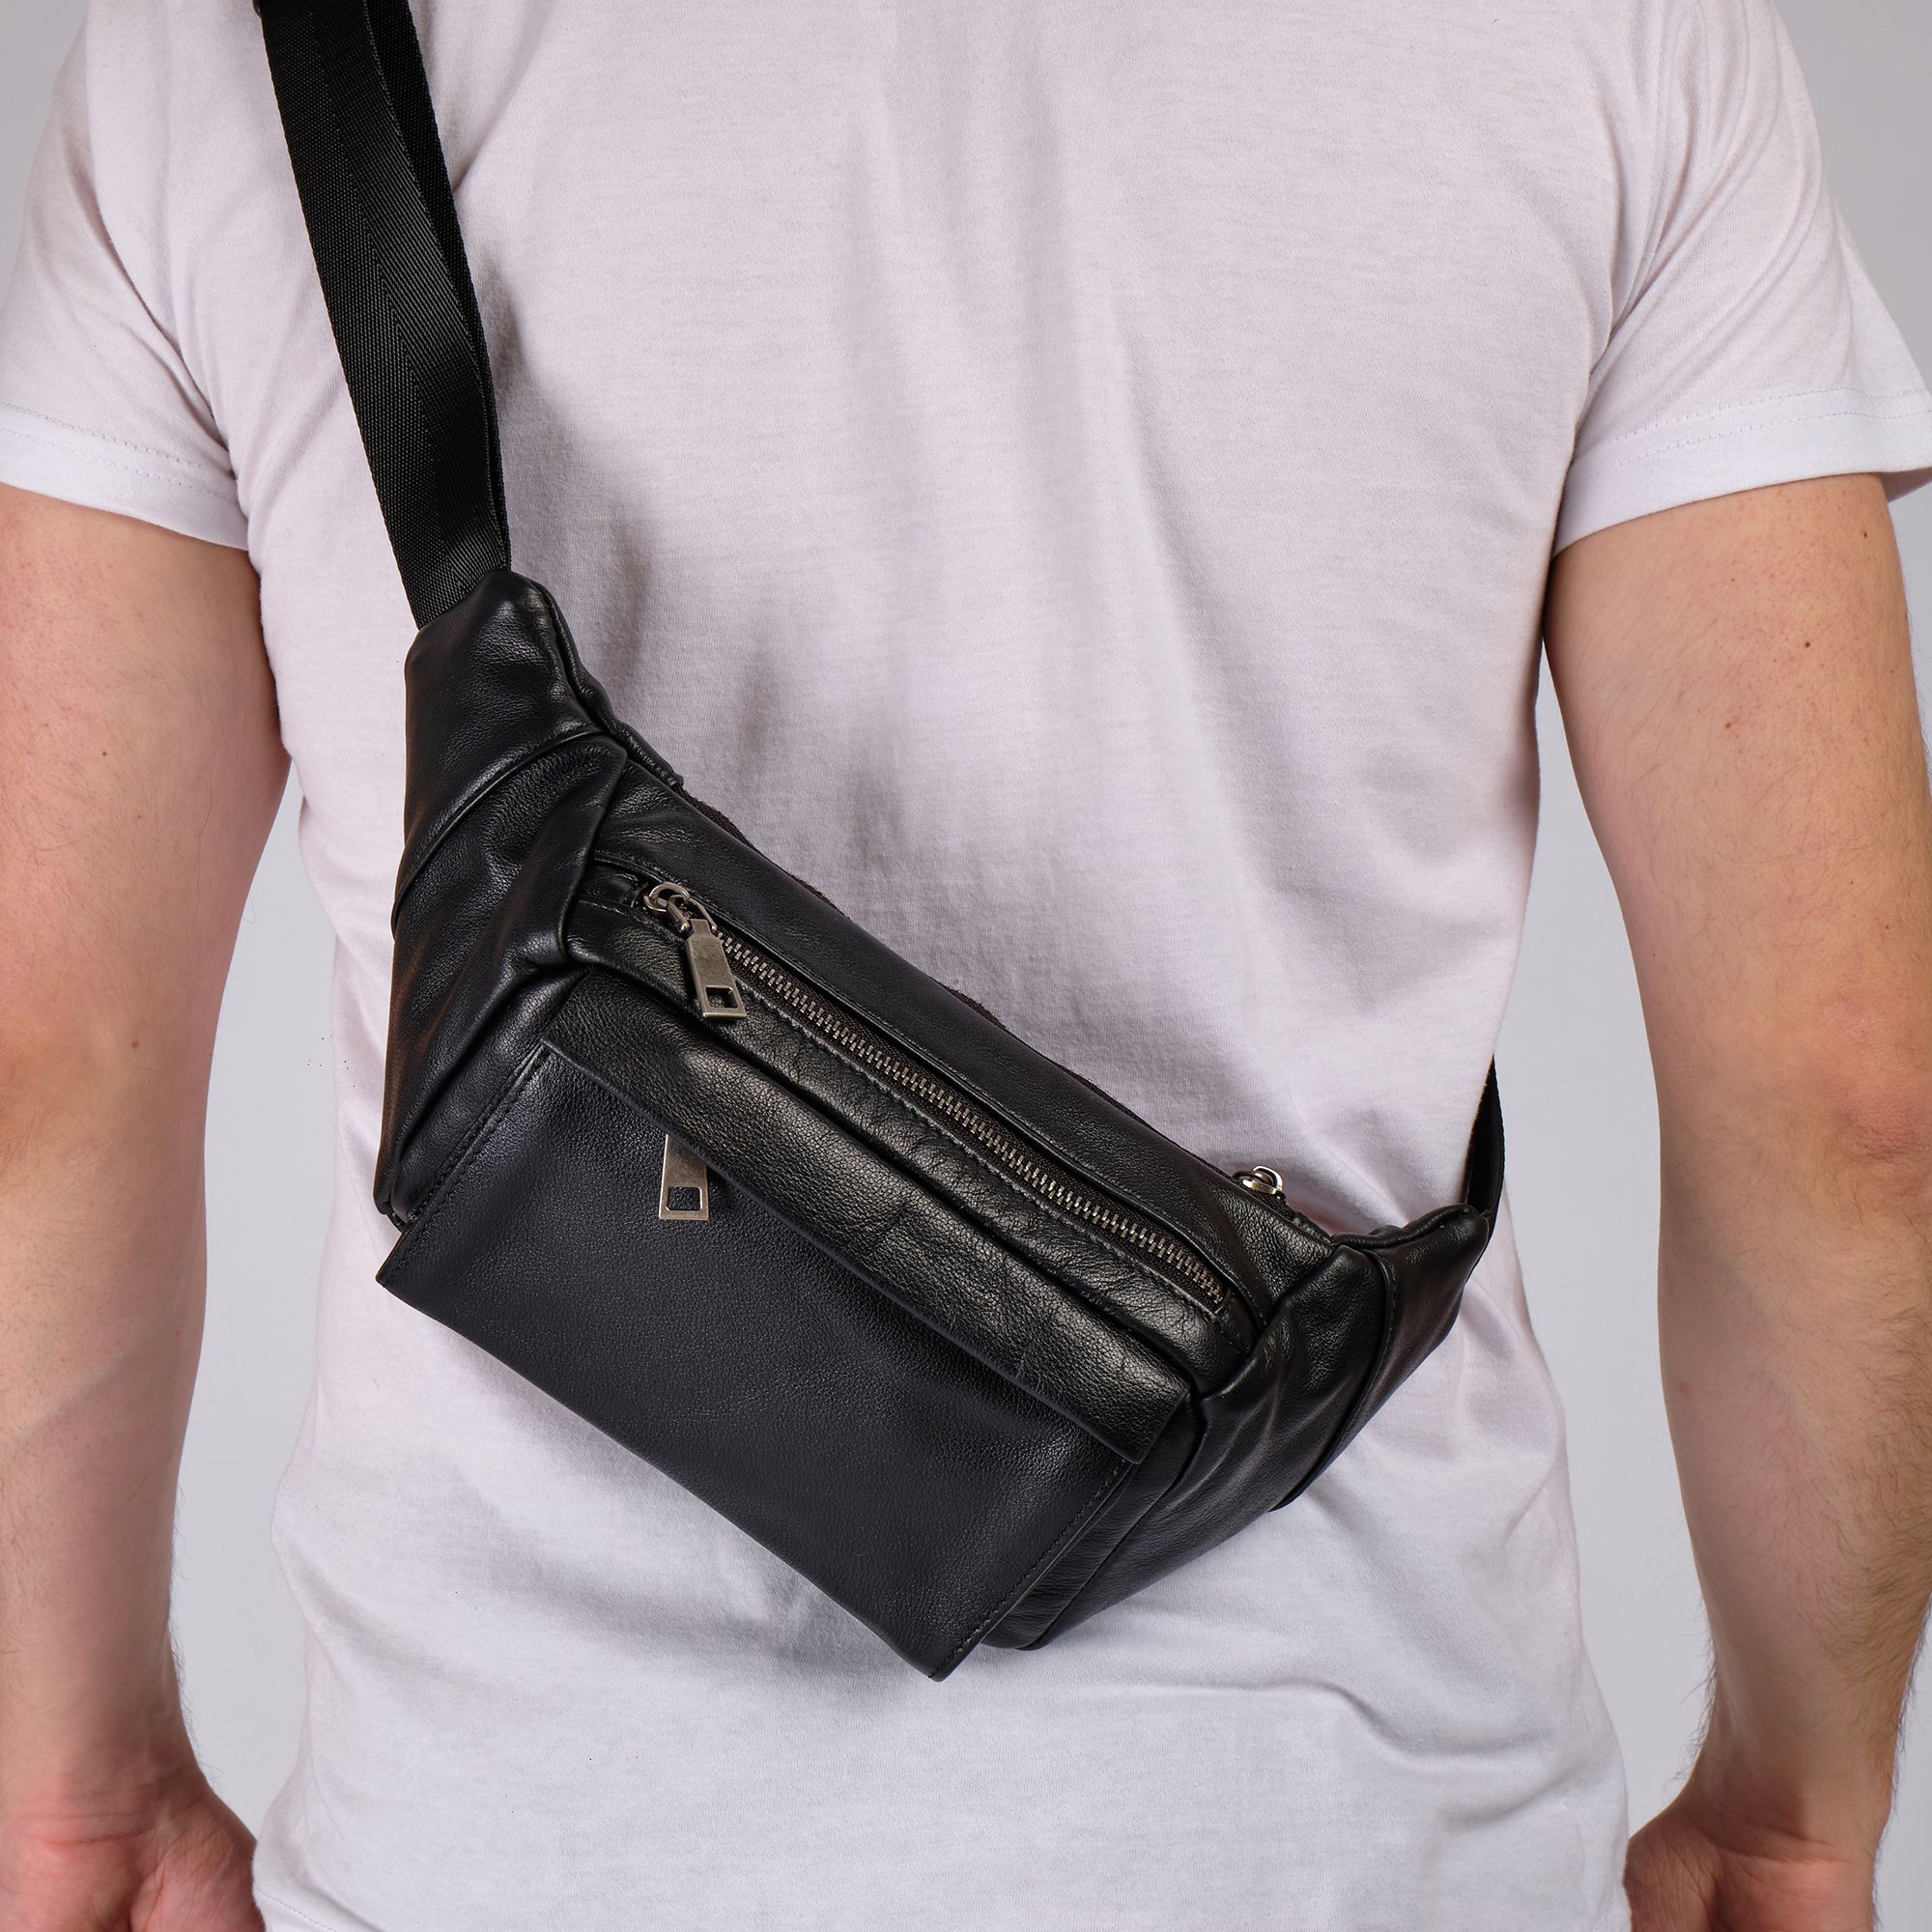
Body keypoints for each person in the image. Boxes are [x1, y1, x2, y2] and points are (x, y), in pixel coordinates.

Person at [2, 0, 1930, 1926]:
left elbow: (46, 1063)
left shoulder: (214, 47)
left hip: (496, 1845)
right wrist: (1791, 1815)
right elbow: (1849, 1101)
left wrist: (88, 1805)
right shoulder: (1616, 43)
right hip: (1356, 1836)